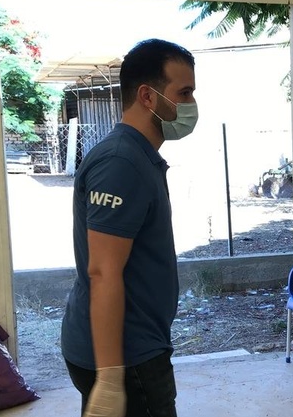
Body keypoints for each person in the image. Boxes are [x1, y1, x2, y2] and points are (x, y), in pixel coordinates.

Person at [61, 39, 197, 417]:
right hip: (129, 355)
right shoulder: (122, 162)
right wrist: (110, 376)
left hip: (135, 345)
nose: (191, 105)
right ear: (148, 96)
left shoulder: (137, 155)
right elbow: (103, 271)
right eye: (183, 93)